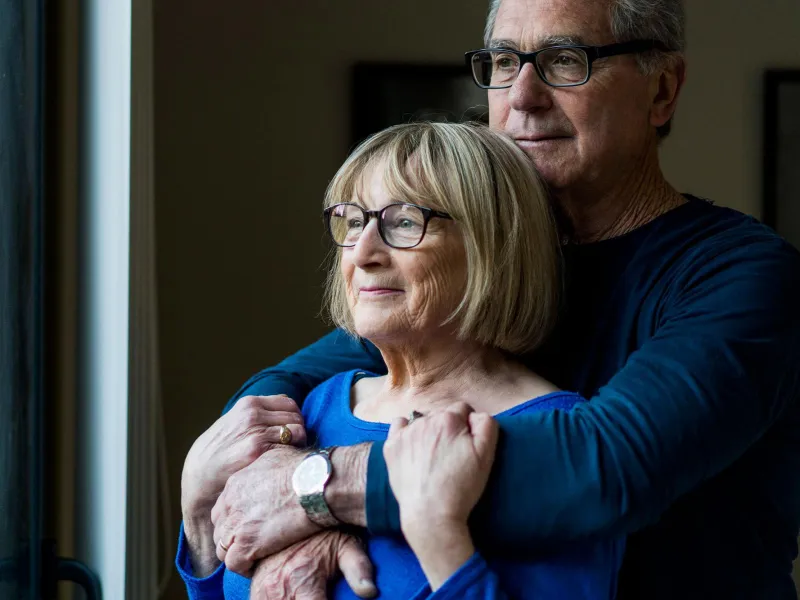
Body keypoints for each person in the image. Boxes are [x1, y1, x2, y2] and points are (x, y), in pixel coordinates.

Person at [189, 0, 800, 598]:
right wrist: (300, 516)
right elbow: (275, 395)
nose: (522, 96)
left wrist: (314, 490)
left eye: (566, 59)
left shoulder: (742, 274)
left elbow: (602, 471)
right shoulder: (476, 263)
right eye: (505, 63)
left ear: (662, 89)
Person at [177, 122, 625, 599]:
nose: (363, 252)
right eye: (354, 221)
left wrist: (437, 534)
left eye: (405, 222)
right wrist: (198, 513)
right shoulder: (311, 409)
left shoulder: (556, 438)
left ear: (494, 248)